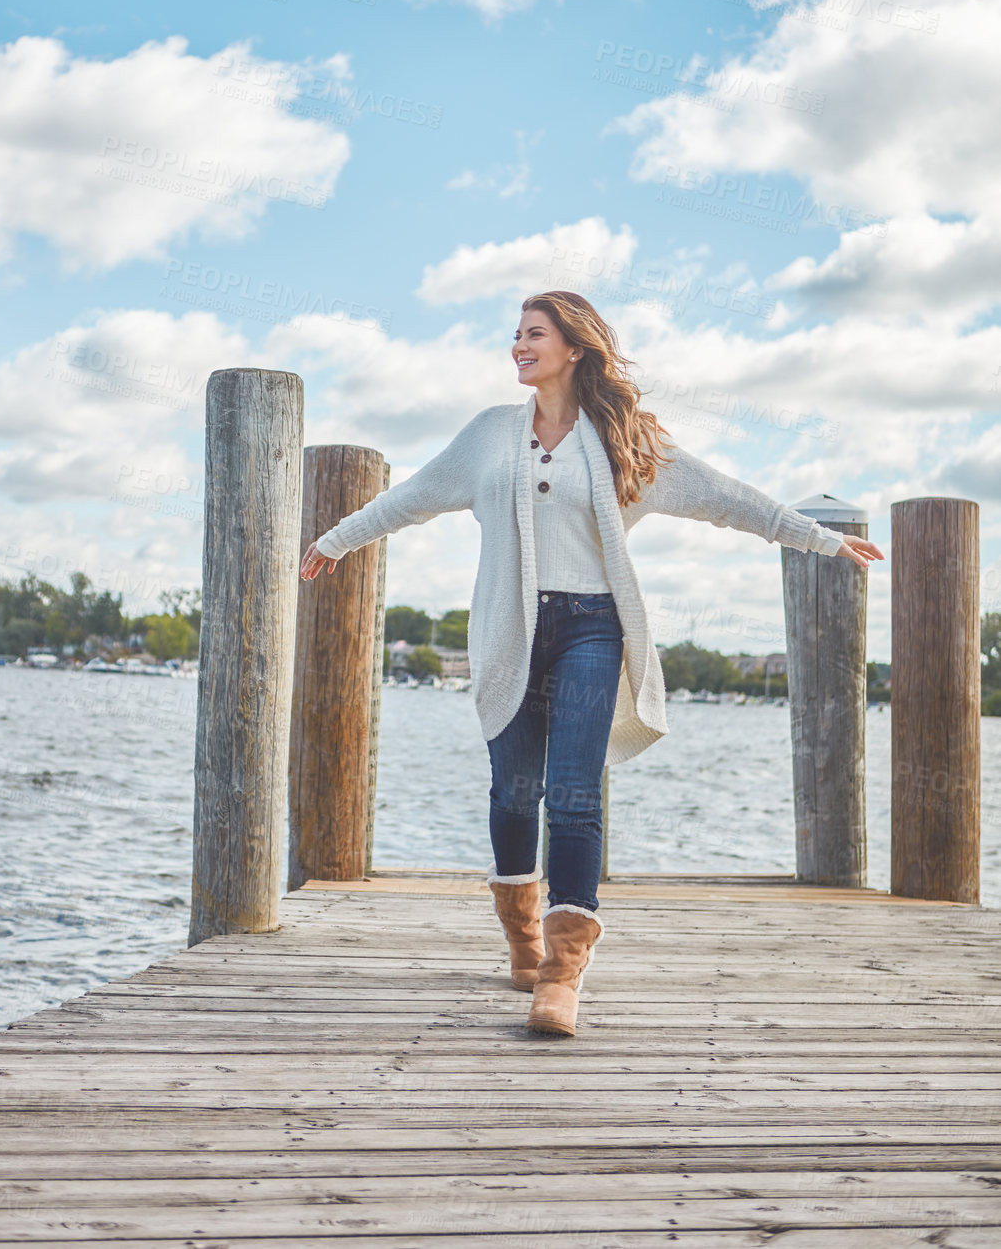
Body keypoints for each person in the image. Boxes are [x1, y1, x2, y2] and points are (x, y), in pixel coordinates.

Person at [299, 290, 883, 1038]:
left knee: (573, 795)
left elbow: (725, 498)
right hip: (513, 629)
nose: (518, 345)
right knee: (515, 791)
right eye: (515, 334)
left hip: (593, 629)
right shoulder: (488, 436)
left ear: (575, 348)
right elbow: (409, 499)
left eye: (533, 334)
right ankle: (522, 937)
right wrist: (335, 539)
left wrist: (821, 539)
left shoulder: (625, 439)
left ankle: (562, 973)